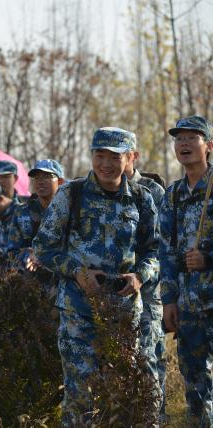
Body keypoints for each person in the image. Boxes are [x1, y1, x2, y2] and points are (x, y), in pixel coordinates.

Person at [33, 127, 159, 426]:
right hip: (79, 311)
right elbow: (43, 248)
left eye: (114, 156)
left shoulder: (142, 198)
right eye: (99, 155)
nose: (105, 164)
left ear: (129, 158)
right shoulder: (71, 193)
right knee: (80, 396)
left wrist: (139, 276)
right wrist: (76, 272)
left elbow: (155, 251)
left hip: (124, 313)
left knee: (123, 395)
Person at [160, 115, 213, 426]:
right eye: (178, 138)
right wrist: (168, 300)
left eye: (191, 137)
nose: (183, 144)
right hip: (190, 307)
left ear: (208, 145)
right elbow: (165, 251)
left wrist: (208, 259)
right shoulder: (173, 195)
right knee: (195, 387)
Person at [123, 141, 167, 422]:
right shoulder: (96, 192)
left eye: (118, 155)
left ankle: (155, 418)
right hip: (116, 293)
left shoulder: (152, 191)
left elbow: (163, 244)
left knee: (149, 356)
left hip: (148, 291)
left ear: (132, 157)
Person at [7, 159, 64, 275]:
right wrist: (28, 254)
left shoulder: (71, 212)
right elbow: (12, 253)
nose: (40, 182)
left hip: (64, 285)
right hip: (31, 285)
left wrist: (43, 256)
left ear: (60, 181)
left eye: (47, 176)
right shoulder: (22, 212)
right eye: (37, 178)